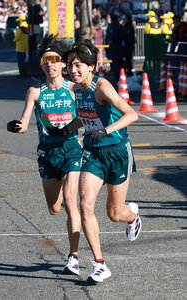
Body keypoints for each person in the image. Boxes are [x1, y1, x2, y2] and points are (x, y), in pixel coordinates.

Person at [65, 40, 141, 284]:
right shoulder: (77, 89)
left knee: (114, 213)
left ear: (91, 67)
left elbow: (132, 114)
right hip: (93, 153)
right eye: (70, 65)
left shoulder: (102, 87)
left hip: (117, 151)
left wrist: (107, 131)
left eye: (78, 65)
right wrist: (66, 128)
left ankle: (132, 216)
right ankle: (99, 265)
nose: (73, 70)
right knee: (85, 203)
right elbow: (86, 117)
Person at [7, 34, 82, 275]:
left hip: (71, 149)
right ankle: (59, 185)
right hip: (47, 154)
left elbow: (86, 117)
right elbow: (25, 121)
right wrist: (16, 126)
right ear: (41, 65)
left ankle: (74, 257)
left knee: (72, 201)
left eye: (54, 59)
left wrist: (69, 128)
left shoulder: (73, 89)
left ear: (62, 64)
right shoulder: (35, 92)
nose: (50, 64)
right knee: (54, 208)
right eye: (45, 60)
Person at [106, 13, 125, 82]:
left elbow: (109, 37)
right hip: (119, 46)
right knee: (120, 61)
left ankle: (116, 76)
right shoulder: (120, 26)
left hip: (114, 46)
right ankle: (121, 75)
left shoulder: (111, 26)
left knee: (115, 62)